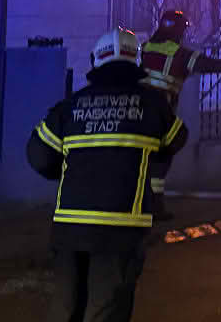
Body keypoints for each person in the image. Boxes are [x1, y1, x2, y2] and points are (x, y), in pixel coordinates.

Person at [26, 28, 189, 322]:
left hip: (70, 228)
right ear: (136, 61)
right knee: (106, 310)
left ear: (95, 61)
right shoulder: (153, 105)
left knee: (65, 309)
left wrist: (66, 171)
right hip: (120, 231)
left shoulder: (71, 105)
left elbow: (38, 155)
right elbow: (177, 139)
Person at [139, 9, 221, 220]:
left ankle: (149, 204)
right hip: (161, 115)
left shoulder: (145, 48)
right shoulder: (181, 55)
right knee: (165, 152)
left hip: (137, 112)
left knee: (147, 157)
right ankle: (154, 207)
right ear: (180, 30)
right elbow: (212, 66)